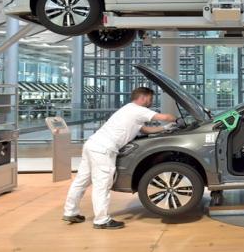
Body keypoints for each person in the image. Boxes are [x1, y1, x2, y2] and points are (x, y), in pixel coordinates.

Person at [62, 87, 176, 229]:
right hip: (103, 150)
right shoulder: (137, 109)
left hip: (92, 144)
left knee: (81, 181)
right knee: (102, 185)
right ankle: (101, 220)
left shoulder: (129, 110)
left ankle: (70, 212)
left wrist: (166, 129)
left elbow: (146, 129)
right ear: (144, 97)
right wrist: (176, 119)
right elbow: (164, 117)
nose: (151, 102)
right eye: (151, 99)